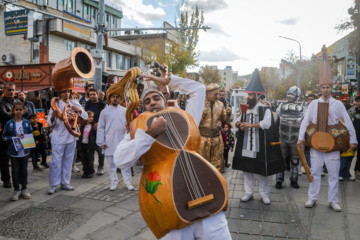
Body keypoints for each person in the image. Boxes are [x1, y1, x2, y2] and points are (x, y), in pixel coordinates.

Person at [113, 73, 231, 240]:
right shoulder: (138, 130)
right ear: (142, 107)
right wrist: (150, 134)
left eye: (156, 98)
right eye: (147, 101)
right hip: (170, 205)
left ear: (164, 99)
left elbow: (198, 89)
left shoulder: (185, 116)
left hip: (205, 193)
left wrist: (168, 81)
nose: (152, 102)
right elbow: (120, 161)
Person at [297, 46, 357, 212]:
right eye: (323, 87)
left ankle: (333, 200)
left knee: (333, 175)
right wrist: (301, 138)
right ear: (320, 88)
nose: (326, 89)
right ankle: (312, 198)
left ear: (331, 88)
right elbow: (305, 122)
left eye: (328, 87)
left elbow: (348, 122)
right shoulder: (314, 104)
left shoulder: (338, 104)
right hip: (316, 143)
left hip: (333, 144)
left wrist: (353, 139)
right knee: (315, 173)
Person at [232, 69, 285, 205]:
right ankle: (248, 193)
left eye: (250, 95)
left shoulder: (265, 109)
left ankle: (264, 194)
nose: (247, 97)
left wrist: (249, 125)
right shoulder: (245, 108)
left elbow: (266, 124)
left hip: (260, 145)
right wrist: (239, 124)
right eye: (247, 95)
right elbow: (235, 122)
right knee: (247, 170)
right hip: (246, 145)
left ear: (257, 96)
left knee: (262, 170)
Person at [47, 88, 88, 194]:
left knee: (68, 162)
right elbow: (49, 123)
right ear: (60, 93)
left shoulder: (74, 102)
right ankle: (53, 185)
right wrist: (52, 116)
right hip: (58, 137)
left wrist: (79, 110)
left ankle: (65, 183)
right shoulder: (55, 104)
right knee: (56, 162)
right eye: (64, 92)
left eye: (68, 92)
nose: (67, 94)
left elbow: (85, 116)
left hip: (71, 137)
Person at [97, 91, 134, 191]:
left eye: (117, 97)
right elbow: (100, 127)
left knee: (125, 164)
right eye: (113, 97)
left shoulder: (125, 111)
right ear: (110, 98)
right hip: (109, 141)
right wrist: (101, 141)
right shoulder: (104, 112)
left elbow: (129, 126)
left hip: (123, 140)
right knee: (111, 165)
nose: (115, 99)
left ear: (120, 99)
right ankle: (113, 183)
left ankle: (128, 183)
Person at [275, 86, 305, 190]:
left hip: (296, 137)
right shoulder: (281, 106)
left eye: (292, 94)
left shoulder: (303, 107)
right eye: (289, 93)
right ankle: (279, 180)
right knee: (281, 159)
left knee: (295, 160)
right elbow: (276, 120)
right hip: (282, 136)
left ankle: (294, 180)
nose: (290, 96)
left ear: (297, 95)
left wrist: (302, 138)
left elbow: (305, 123)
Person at [3, 102, 33, 201]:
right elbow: (4, 136)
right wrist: (13, 138)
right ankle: (16, 189)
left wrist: (27, 136)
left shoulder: (27, 122)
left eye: (20, 109)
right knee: (15, 171)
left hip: (24, 151)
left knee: (24, 171)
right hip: (14, 152)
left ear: (23, 111)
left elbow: (31, 133)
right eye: (17, 110)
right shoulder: (9, 123)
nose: (19, 111)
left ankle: (24, 188)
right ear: (13, 111)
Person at [199, 83, 232, 172]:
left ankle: (216, 182)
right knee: (202, 164)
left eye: (218, 94)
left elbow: (225, 119)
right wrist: (203, 115)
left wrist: (228, 114)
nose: (218, 96)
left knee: (217, 163)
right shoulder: (200, 103)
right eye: (215, 94)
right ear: (208, 94)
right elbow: (193, 119)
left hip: (217, 138)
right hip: (203, 138)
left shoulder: (220, 104)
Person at [0, 82, 20, 188]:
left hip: (18, 133)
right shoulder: (1, 102)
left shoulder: (17, 101)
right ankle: (6, 179)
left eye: (13, 90)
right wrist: (16, 113)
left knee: (17, 157)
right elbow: (4, 115)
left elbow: (24, 112)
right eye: (9, 90)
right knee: (4, 158)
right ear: (4, 90)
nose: (11, 92)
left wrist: (13, 113)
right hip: (5, 134)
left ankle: (17, 178)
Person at [85, 88, 107, 175]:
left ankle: (101, 166)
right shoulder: (87, 104)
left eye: (94, 94)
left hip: (100, 129)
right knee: (90, 150)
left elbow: (106, 117)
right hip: (89, 129)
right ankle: (90, 168)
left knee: (100, 149)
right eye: (90, 95)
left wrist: (99, 123)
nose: (92, 96)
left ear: (97, 94)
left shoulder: (103, 104)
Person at [78, 111, 96, 178]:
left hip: (90, 145)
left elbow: (95, 136)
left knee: (90, 159)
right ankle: (85, 171)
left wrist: (94, 144)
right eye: (89, 116)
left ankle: (90, 171)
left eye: (92, 117)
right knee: (83, 159)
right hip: (82, 145)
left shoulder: (93, 126)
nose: (91, 118)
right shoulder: (82, 126)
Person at [347, 95, 360, 178]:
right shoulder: (351, 111)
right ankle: (345, 172)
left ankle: (357, 170)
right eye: (357, 101)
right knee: (349, 154)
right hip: (353, 136)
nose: (358, 103)